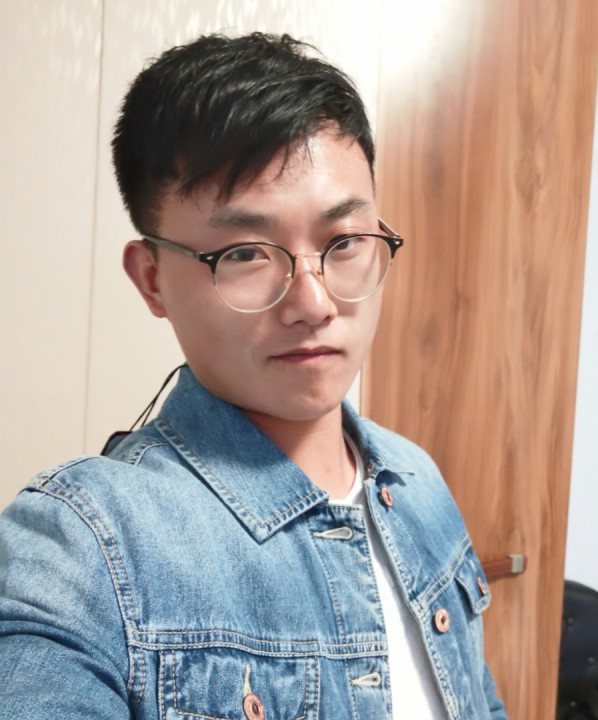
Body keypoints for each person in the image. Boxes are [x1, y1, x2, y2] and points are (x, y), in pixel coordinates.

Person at [0, 33, 507, 719]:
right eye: (245, 253)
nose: (313, 303)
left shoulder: (417, 483)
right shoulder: (83, 548)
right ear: (152, 279)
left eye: (345, 242)